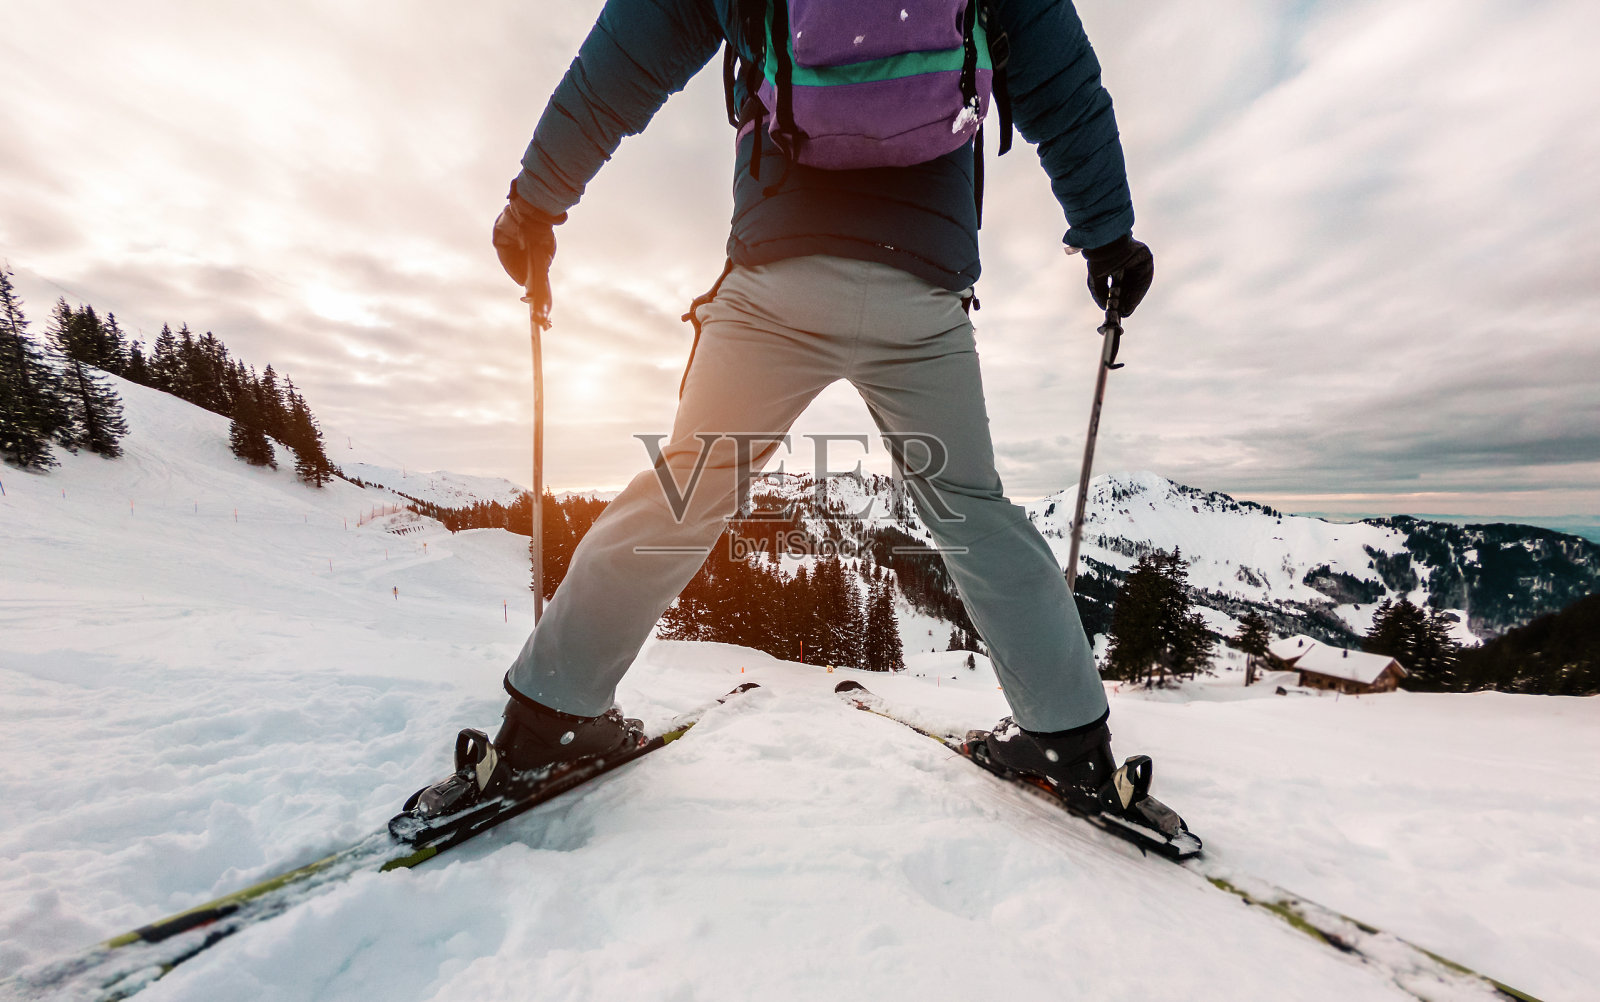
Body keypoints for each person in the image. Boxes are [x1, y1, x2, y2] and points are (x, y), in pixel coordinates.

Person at [405, 0, 1183, 842]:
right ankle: (1072, 744)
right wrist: (1108, 236)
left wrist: (536, 202)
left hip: (778, 272)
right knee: (971, 508)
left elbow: (622, 62)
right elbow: (1065, 87)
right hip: (924, 290)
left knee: (685, 492)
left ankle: (542, 730)